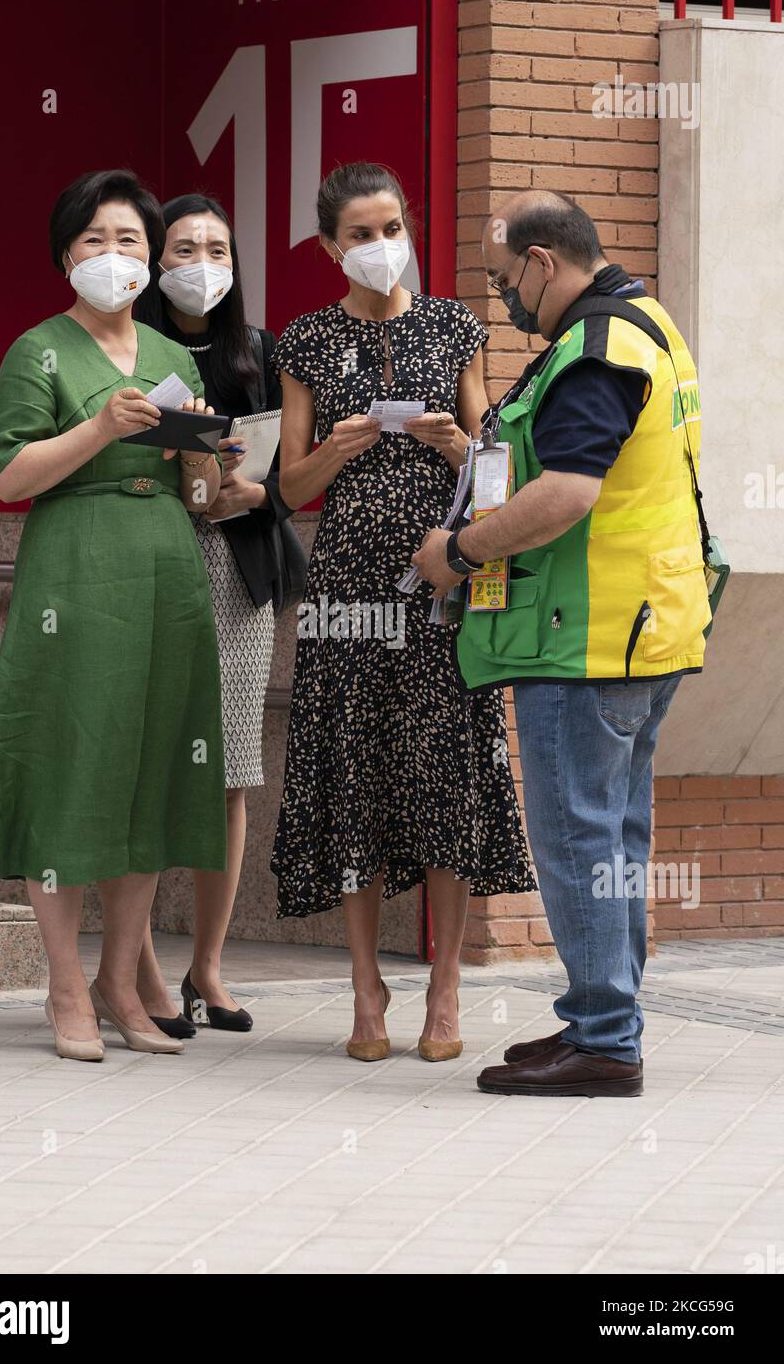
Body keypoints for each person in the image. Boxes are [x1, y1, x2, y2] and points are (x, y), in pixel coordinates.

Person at [413, 189, 709, 1097]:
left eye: (506, 280)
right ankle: (600, 1022)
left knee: (580, 838)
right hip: (639, 630)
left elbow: (570, 493)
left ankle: (607, 1042)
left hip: (583, 639)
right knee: (613, 837)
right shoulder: (646, 323)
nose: (503, 301)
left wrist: (457, 553)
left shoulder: (596, 346)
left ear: (544, 261)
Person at [0, 170, 227, 1061]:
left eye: (132, 244)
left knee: (151, 765)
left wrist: (209, 462)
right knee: (73, 764)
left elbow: (201, 490)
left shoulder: (174, 355)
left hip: (166, 570)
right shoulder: (36, 352)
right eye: (96, 242)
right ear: (65, 254)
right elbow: (8, 477)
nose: (117, 258)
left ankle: (120, 978)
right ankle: (64, 986)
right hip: (74, 575)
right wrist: (102, 428)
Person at [271, 161, 535, 1064]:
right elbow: (289, 486)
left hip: (439, 581)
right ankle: (364, 989)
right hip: (346, 582)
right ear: (328, 247)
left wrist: (458, 441)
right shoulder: (305, 342)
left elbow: (491, 469)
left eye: (391, 229)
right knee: (356, 772)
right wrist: (338, 450)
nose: (380, 247)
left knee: (446, 775)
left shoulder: (456, 325)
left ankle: (448, 987)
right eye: (360, 234)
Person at [135, 193, 296, 1036]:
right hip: (152, 561)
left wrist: (253, 488)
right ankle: (137, 970)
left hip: (236, 566)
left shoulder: (258, 352)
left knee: (231, 769)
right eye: (184, 247)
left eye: (216, 247)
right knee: (151, 762)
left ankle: (208, 966)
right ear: (157, 262)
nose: (201, 262)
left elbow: (295, 471)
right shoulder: (131, 347)